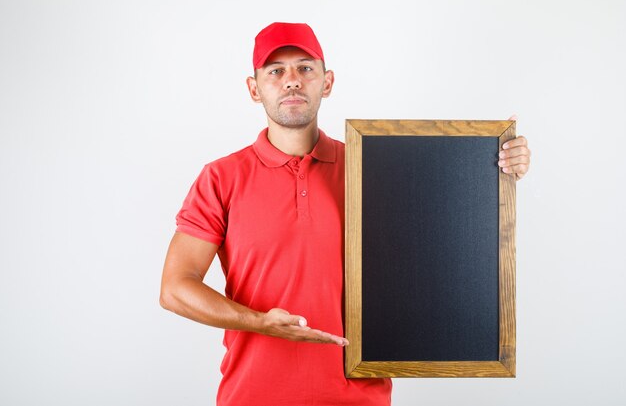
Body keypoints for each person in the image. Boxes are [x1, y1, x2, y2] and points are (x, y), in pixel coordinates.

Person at [159, 22, 531, 406]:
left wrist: (495, 165)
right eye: (276, 71)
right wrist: (259, 323)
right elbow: (175, 288)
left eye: (305, 68)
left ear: (328, 82)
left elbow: (446, 224)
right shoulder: (221, 177)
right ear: (254, 89)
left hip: (359, 397)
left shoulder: (373, 168)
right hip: (254, 395)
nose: (291, 81)